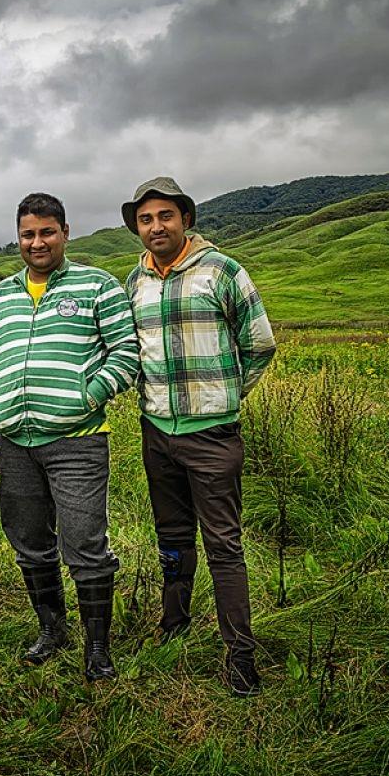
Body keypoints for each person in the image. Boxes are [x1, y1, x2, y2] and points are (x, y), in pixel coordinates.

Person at [0, 192, 140, 680]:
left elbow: (125, 352)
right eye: (28, 234)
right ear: (18, 238)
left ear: (65, 232)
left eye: (47, 232)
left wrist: (87, 396)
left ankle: (97, 647)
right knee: (28, 537)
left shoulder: (97, 285)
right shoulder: (2, 294)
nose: (37, 242)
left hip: (76, 439)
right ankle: (52, 629)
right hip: (15, 441)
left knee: (85, 540)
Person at [122, 176, 277, 696]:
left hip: (212, 434)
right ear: (137, 228)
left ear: (185, 218)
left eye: (165, 216)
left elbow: (258, 343)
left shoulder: (223, 271)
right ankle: (174, 625)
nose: (155, 226)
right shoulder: (135, 282)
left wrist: (225, 396)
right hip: (156, 431)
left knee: (224, 545)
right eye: (146, 219)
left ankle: (240, 654)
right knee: (171, 537)